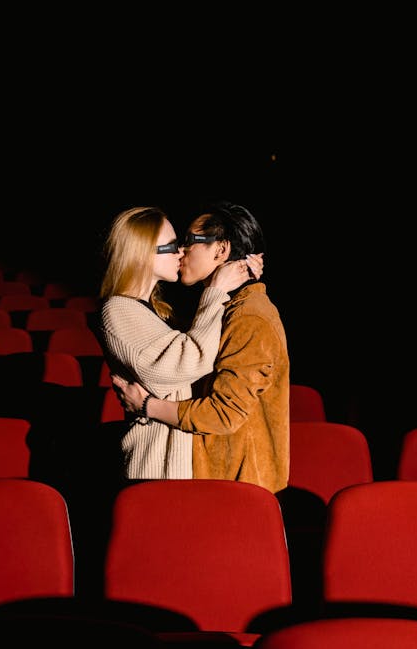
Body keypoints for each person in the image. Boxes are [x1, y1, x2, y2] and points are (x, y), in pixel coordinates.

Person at [111, 201, 290, 494]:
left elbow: (224, 414)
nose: (181, 251)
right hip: (217, 480)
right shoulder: (226, 309)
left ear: (220, 250)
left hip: (236, 487)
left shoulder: (250, 316)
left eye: (189, 241)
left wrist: (147, 406)